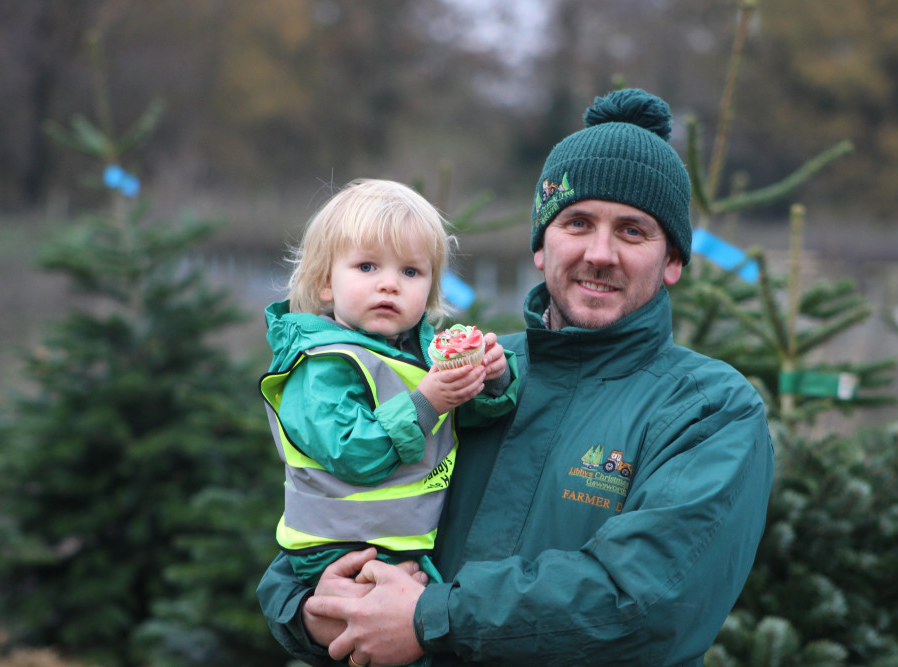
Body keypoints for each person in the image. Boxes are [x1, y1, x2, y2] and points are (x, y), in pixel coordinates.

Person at [257, 89, 774, 667]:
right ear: (541, 244)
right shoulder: (465, 374)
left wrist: (431, 620)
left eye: (632, 231)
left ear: (673, 260)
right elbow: (328, 516)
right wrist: (303, 607)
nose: (599, 253)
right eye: (577, 222)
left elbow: (649, 599)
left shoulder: (709, 410)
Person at [258, 178, 520, 666]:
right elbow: (354, 452)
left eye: (411, 271)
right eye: (367, 266)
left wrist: (490, 380)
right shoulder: (320, 365)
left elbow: (469, 421)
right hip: (345, 549)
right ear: (325, 283)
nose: (389, 283)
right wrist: (428, 402)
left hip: (397, 542)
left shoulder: (420, 353)